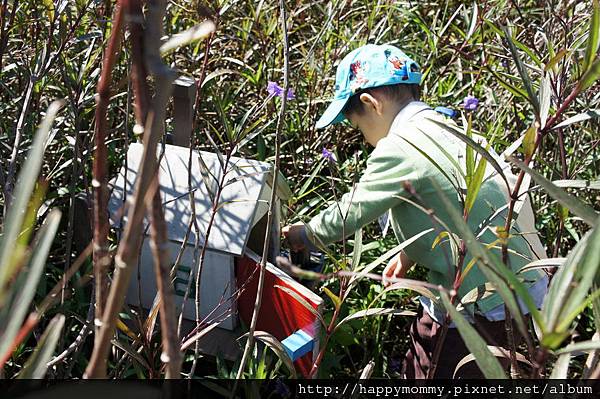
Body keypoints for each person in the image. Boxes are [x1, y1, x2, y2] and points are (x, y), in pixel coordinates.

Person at [282, 44, 548, 378]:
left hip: (477, 297)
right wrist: (409, 254)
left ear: (370, 104)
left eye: (356, 125)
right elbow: (449, 201)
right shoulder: (451, 128)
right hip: (526, 278)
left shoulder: (401, 145)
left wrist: (305, 234)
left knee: (427, 366)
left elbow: (353, 209)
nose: (363, 139)